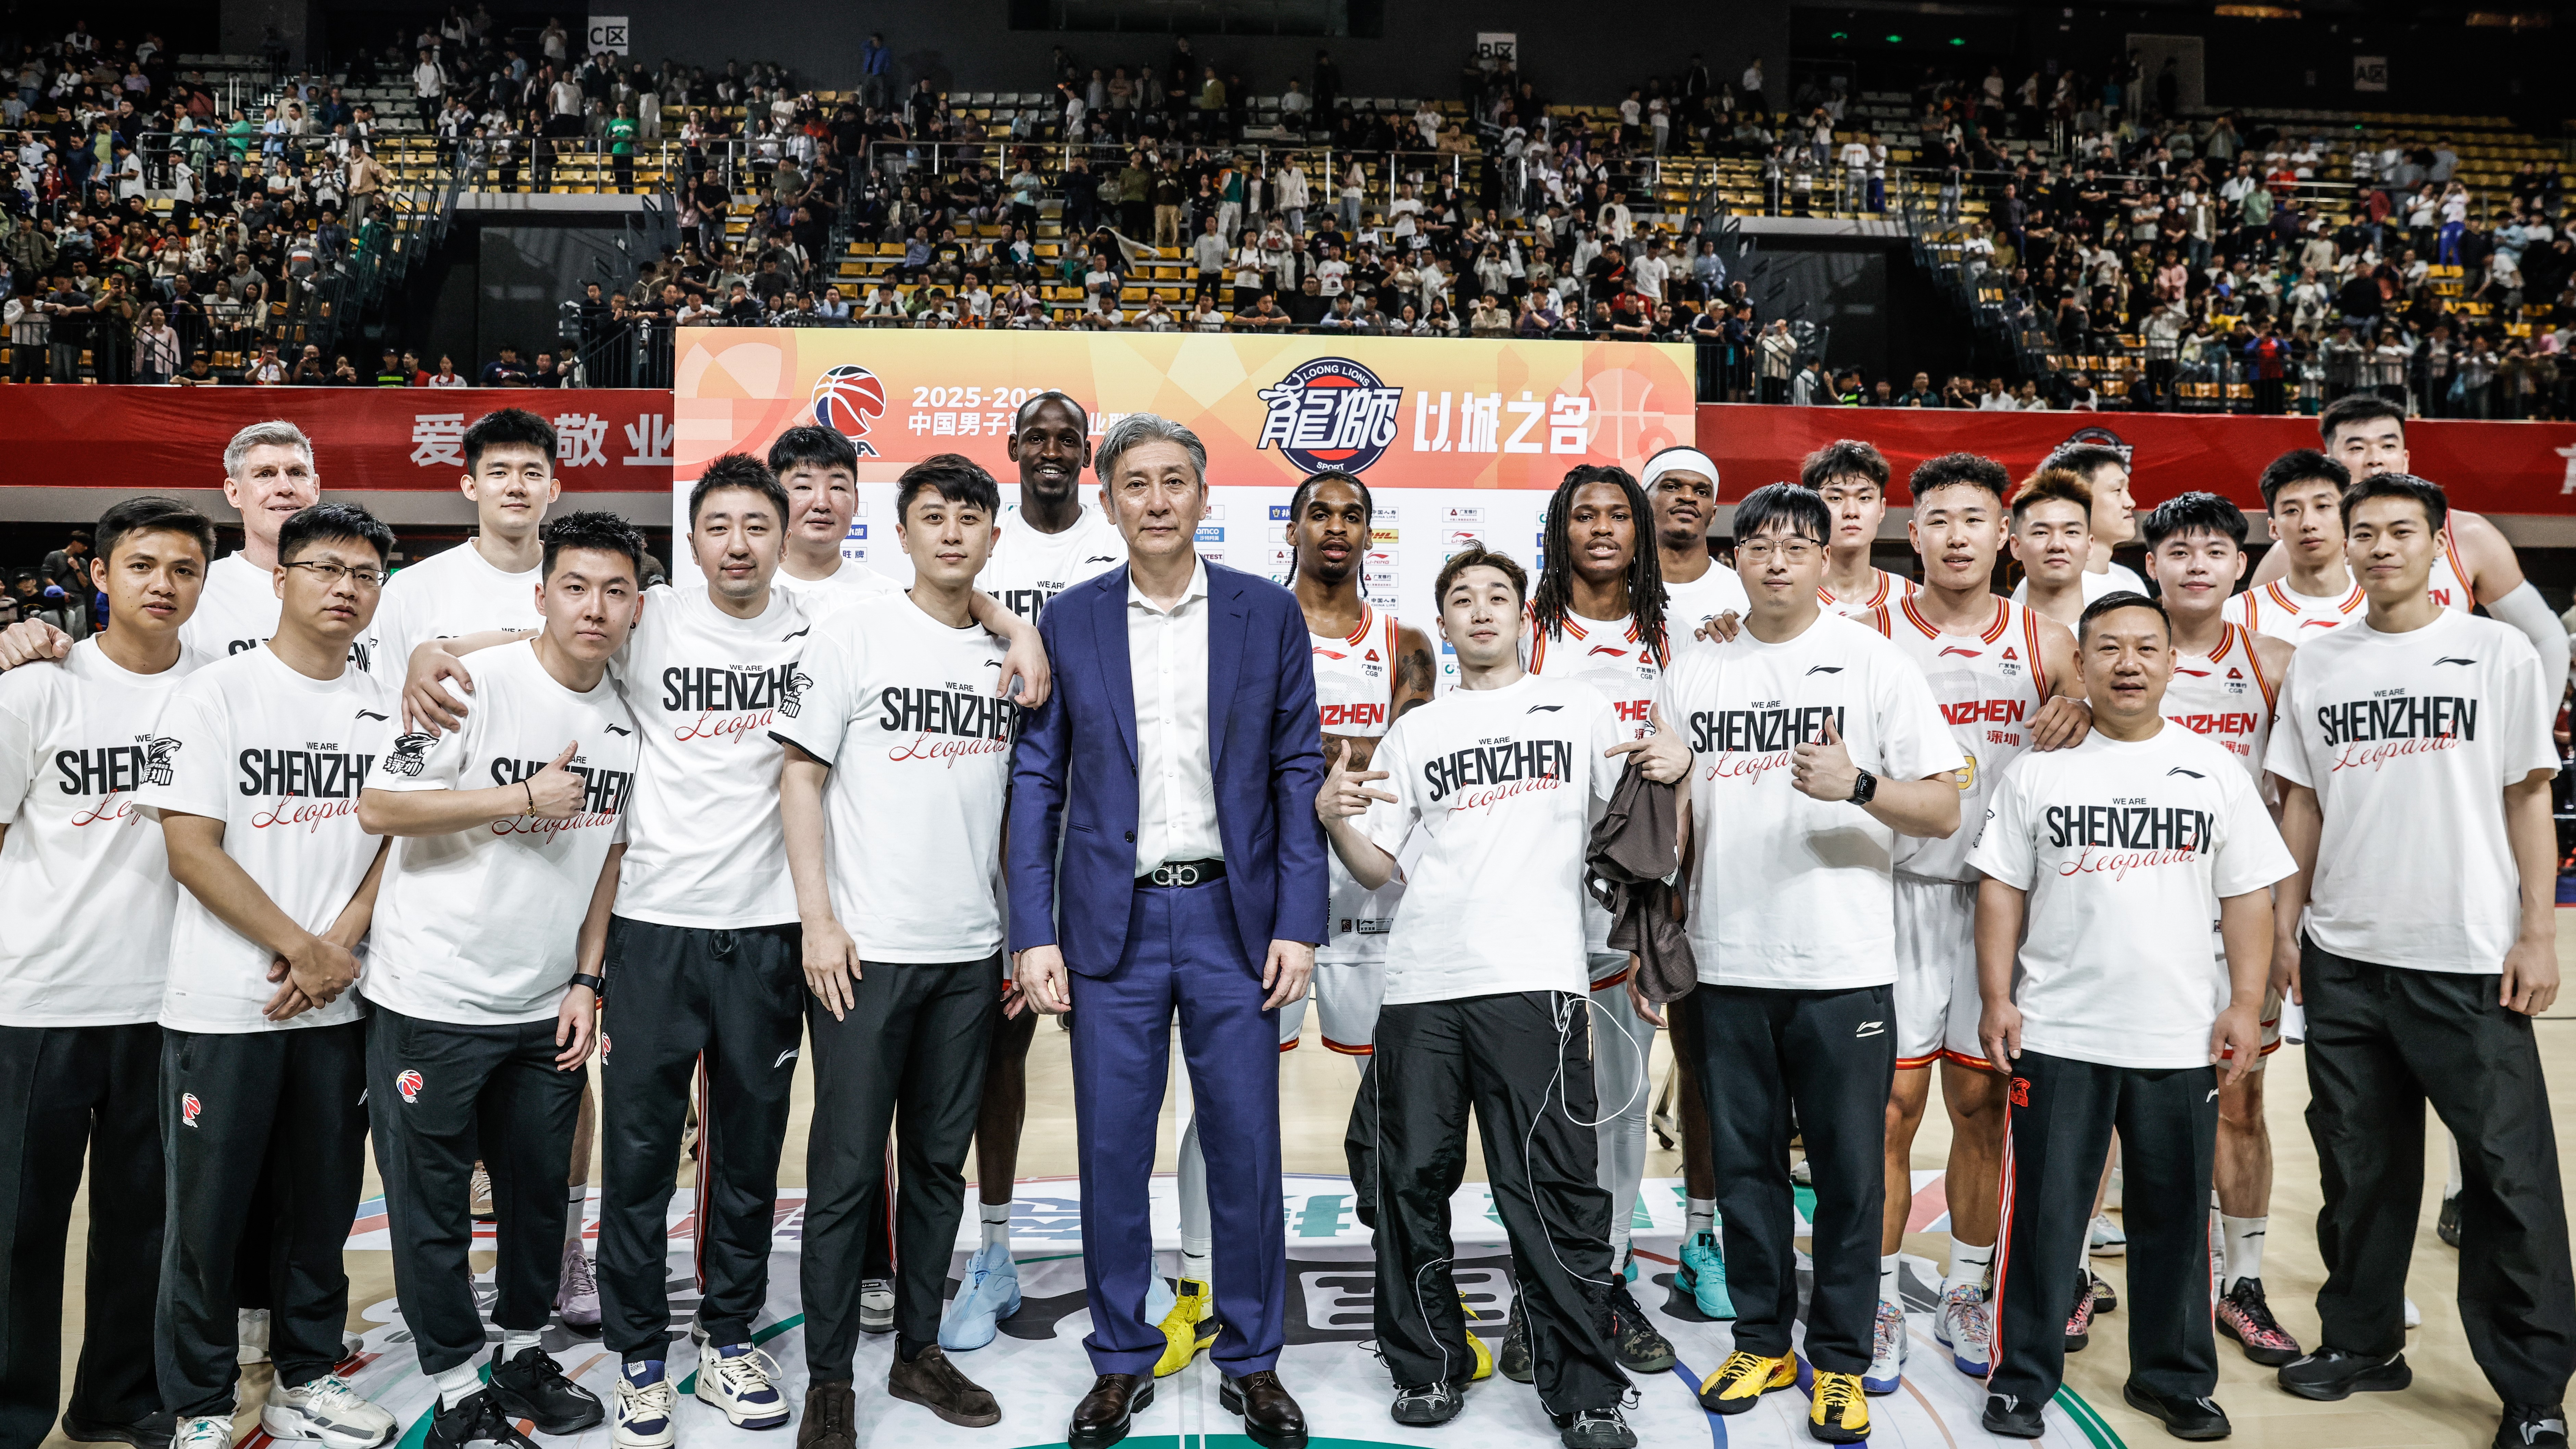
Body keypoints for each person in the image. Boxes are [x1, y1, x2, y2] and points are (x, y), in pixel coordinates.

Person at [1006, 414, 1321, 1449]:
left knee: (1245, 1151)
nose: (1153, 499)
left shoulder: (1264, 614)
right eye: (1133, 483)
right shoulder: (1070, 617)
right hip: (1113, 924)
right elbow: (1038, 775)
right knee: (1108, 1150)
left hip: (1235, 921)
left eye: (1172, 481)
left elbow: (1292, 773)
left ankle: (1252, 1360)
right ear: (1106, 501)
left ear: (1201, 496)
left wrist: (1299, 921)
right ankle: (1117, 1357)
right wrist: (1031, 929)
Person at [1312, 543, 1653, 1449]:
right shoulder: (1418, 729)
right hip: (1422, 985)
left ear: (1522, 610)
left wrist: (1680, 761)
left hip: (1534, 981)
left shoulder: (1580, 708)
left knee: (1550, 1190)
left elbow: (1633, 832)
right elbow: (1380, 867)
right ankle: (1429, 1361)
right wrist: (1333, 816)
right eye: (1459, 598)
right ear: (1446, 620)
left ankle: (1580, 1385)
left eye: (1496, 595)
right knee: (1403, 1179)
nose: (1479, 609)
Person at [2266, 473, 2571, 1448]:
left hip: (2467, 954)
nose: (2380, 545)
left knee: (2506, 1177)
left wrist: (2537, 930)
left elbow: (2529, 798)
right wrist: (2286, 926)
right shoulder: (2319, 663)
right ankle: (2362, 1340)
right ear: (2345, 548)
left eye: (2403, 530)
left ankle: (2531, 1387)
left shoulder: (2495, 655)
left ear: (2442, 544)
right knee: (2358, 1165)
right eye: (2365, 532)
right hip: (2345, 953)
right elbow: (2302, 806)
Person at [1663, 482, 1962, 1446]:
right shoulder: (1696, 662)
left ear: (1826, 553)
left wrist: (1859, 783)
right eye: (1759, 543)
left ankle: (1837, 1356)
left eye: (1798, 542)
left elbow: (1943, 808)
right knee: (1744, 1168)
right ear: (1736, 556)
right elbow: (1672, 815)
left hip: (1840, 964)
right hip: (1723, 960)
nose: (1779, 558)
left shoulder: (1874, 662)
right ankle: (1760, 1336)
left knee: (1846, 1173)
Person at [1969, 591, 2292, 1442]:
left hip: (2176, 1035)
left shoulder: (2213, 767)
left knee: (2175, 1220)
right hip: (2059, 1031)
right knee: (2042, 1218)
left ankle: (2173, 1378)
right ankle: (2021, 1377)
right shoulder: (2038, 770)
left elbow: (2248, 895)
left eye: (2144, 648)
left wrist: (2245, 1002)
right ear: (2078, 665)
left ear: (2171, 663)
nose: (2126, 663)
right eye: (2106, 648)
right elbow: (2000, 887)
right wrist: (1997, 995)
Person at [353, 512, 644, 1449]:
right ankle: (451, 1380)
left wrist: (586, 980)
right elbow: (380, 802)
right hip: (431, 997)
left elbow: (607, 860)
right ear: (540, 596)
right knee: (432, 1205)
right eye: (575, 586)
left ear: (637, 605)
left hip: (542, 1003)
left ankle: (522, 1350)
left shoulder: (625, 719)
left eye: (613, 589)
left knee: (536, 1196)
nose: (593, 606)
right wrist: (517, 797)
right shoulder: (471, 686)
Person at [133, 503, 402, 1449]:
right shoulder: (212, 694)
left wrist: (337, 951)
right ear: (280, 578)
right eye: (325, 567)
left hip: (334, 1008)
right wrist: (306, 945)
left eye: (365, 574)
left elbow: (390, 847)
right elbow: (190, 849)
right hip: (223, 1006)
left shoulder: (382, 707)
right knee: (205, 1224)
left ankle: (308, 1374)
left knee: (320, 1208)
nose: (345, 587)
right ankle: (203, 1402)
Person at [776, 456, 1022, 1441]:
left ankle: (916, 1348)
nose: (953, 532)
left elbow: (1015, 814)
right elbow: (799, 779)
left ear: (992, 538)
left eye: (971, 516)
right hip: (864, 950)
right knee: (843, 1173)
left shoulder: (1008, 656)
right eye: (934, 516)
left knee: (933, 1166)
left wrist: (1015, 937)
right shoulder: (853, 633)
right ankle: (831, 1376)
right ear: (905, 531)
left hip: (971, 954)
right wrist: (818, 918)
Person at [1860, 454, 2086, 1394]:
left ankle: (1963, 1285)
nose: (1956, 535)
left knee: (1981, 1104)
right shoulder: (1864, 632)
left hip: (2001, 904)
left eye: (1974, 519)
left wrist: (2083, 703)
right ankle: (1871, 1295)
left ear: (2005, 536)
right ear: (1912, 537)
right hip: (1889, 893)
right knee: (1887, 1108)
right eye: (1938, 520)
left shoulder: (2046, 641)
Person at [0, 498, 217, 1449]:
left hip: (168, 1000)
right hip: (36, 996)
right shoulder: (36, 688)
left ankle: (118, 1395)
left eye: (182, 568)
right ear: (101, 574)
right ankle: (11, 1413)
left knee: (144, 1222)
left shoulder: (221, 690)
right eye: (142, 565)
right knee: (18, 1226)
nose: (162, 584)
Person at [942, 390, 1131, 1356]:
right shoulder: (989, 547)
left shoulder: (1119, 540)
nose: (1053, 451)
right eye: (1038, 437)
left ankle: (1125, 1263)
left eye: (1069, 438)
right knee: (996, 1053)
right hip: (993, 816)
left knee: (1114, 1058)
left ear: (1086, 454)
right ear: (1014, 450)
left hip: (1106, 824)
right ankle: (996, 1249)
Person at [2136, 492, 2307, 1369]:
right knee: (2109, 1103)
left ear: (2241, 566)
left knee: (2239, 1100)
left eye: (2213, 549)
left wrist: (2287, 926)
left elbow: (2296, 802)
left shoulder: (2272, 660)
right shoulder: (2116, 655)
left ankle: (2240, 1282)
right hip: (2128, 915)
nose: (2195, 563)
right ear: (2150, 564)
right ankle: (2090, 1279)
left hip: (2230, 918)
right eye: (2177, 549)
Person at [1515, 466, 1678, 1385]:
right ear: (1559, 528)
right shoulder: (1532, 630)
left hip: (1630, 900)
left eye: (1620, 513)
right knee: (1537, 1103)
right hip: (1535, 894)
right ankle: (1540, 1284)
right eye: (1585, 512)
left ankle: (1605, 1276)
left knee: (1618, 1100)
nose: (1604, 527)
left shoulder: (1676, 633)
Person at [2252, 394, 2570, 697]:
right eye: (2357, 448)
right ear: (2330, 463)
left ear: (2405, 459)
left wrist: (2539, 740)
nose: (2376, 460)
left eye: (2388, 446)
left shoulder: (2467, 536)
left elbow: (2547, 639)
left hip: (2445, 734)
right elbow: (2252, 653)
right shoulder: (2296, 550)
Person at [1637, 444, 1743, 1320]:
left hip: (1708, 857)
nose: (1685, 498)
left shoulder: (1738, 597)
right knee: (1596, 1073)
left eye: (1700, 489)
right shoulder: (1594, 583)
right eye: (1670, 484)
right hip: (1594, 855)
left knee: (1704, 1066)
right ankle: (1580, 1243)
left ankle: (1701, 1233)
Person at [2227, 451, 2364, 642]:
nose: (2308, 523)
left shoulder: (2384, 603)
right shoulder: (2239, 616)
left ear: (2348, 516)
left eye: (2323, 506)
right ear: (2274, 529)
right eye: (2292, 511)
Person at [766, 425, 900, 613]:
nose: (822, 504)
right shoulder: (746, 593)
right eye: (804, 487)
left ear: (856, 502)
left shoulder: (887, 598)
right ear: (775, 498)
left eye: (837, 488)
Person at [2008, 445, 2144, 611]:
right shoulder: (2040, 587)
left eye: (2127, 490)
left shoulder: (2131, 580)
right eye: (2117, 490)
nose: (2130, 503)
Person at [1800, 441, 1916, 616]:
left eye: (1865, 498)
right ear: (1813, 509)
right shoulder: (1790, 595)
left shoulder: (1910, 598)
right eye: (1836, 498)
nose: (1851, 512)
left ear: (1882, 509)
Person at [2004, 470, 2102, 630]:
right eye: (2041, 533)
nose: (2057, 545)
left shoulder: (2107, 639)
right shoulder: (1994, 636)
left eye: (2071, 532)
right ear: (2016, 546)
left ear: (2090, 546)